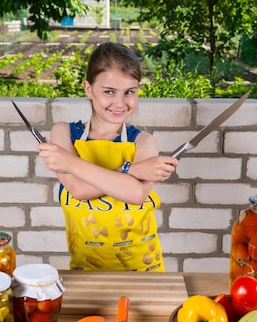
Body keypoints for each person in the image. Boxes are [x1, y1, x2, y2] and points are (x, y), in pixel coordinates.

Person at [37, 42, 178, 271]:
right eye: (109, 92)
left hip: (143, 269)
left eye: (129, 92)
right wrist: (131, 170)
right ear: (88, 89)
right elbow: (78, 189)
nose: (120, 103)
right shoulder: (63, 133)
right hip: (86, 269)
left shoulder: (143, 142)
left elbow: (135, 193)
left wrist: (70, 162)